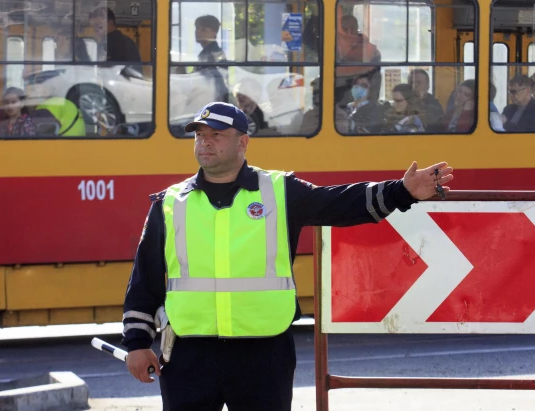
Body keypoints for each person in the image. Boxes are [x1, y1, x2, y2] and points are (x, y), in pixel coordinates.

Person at [121, 101, 454, 411]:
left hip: (263, 354)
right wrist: (136, 343)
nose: (205, 142)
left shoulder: (279, 191)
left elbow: (339, 203)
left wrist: (402, 191)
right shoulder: (169, 202)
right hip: (188, 354)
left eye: (217, 135)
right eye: (199, 135)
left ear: (243, 142)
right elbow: (145, 279)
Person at [194, 15, 229, 103]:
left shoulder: (213, 54)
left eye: (203, 29)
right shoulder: (208, 52)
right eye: (197, 28)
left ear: (213, 33)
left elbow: (204, 81)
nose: (198, 32)